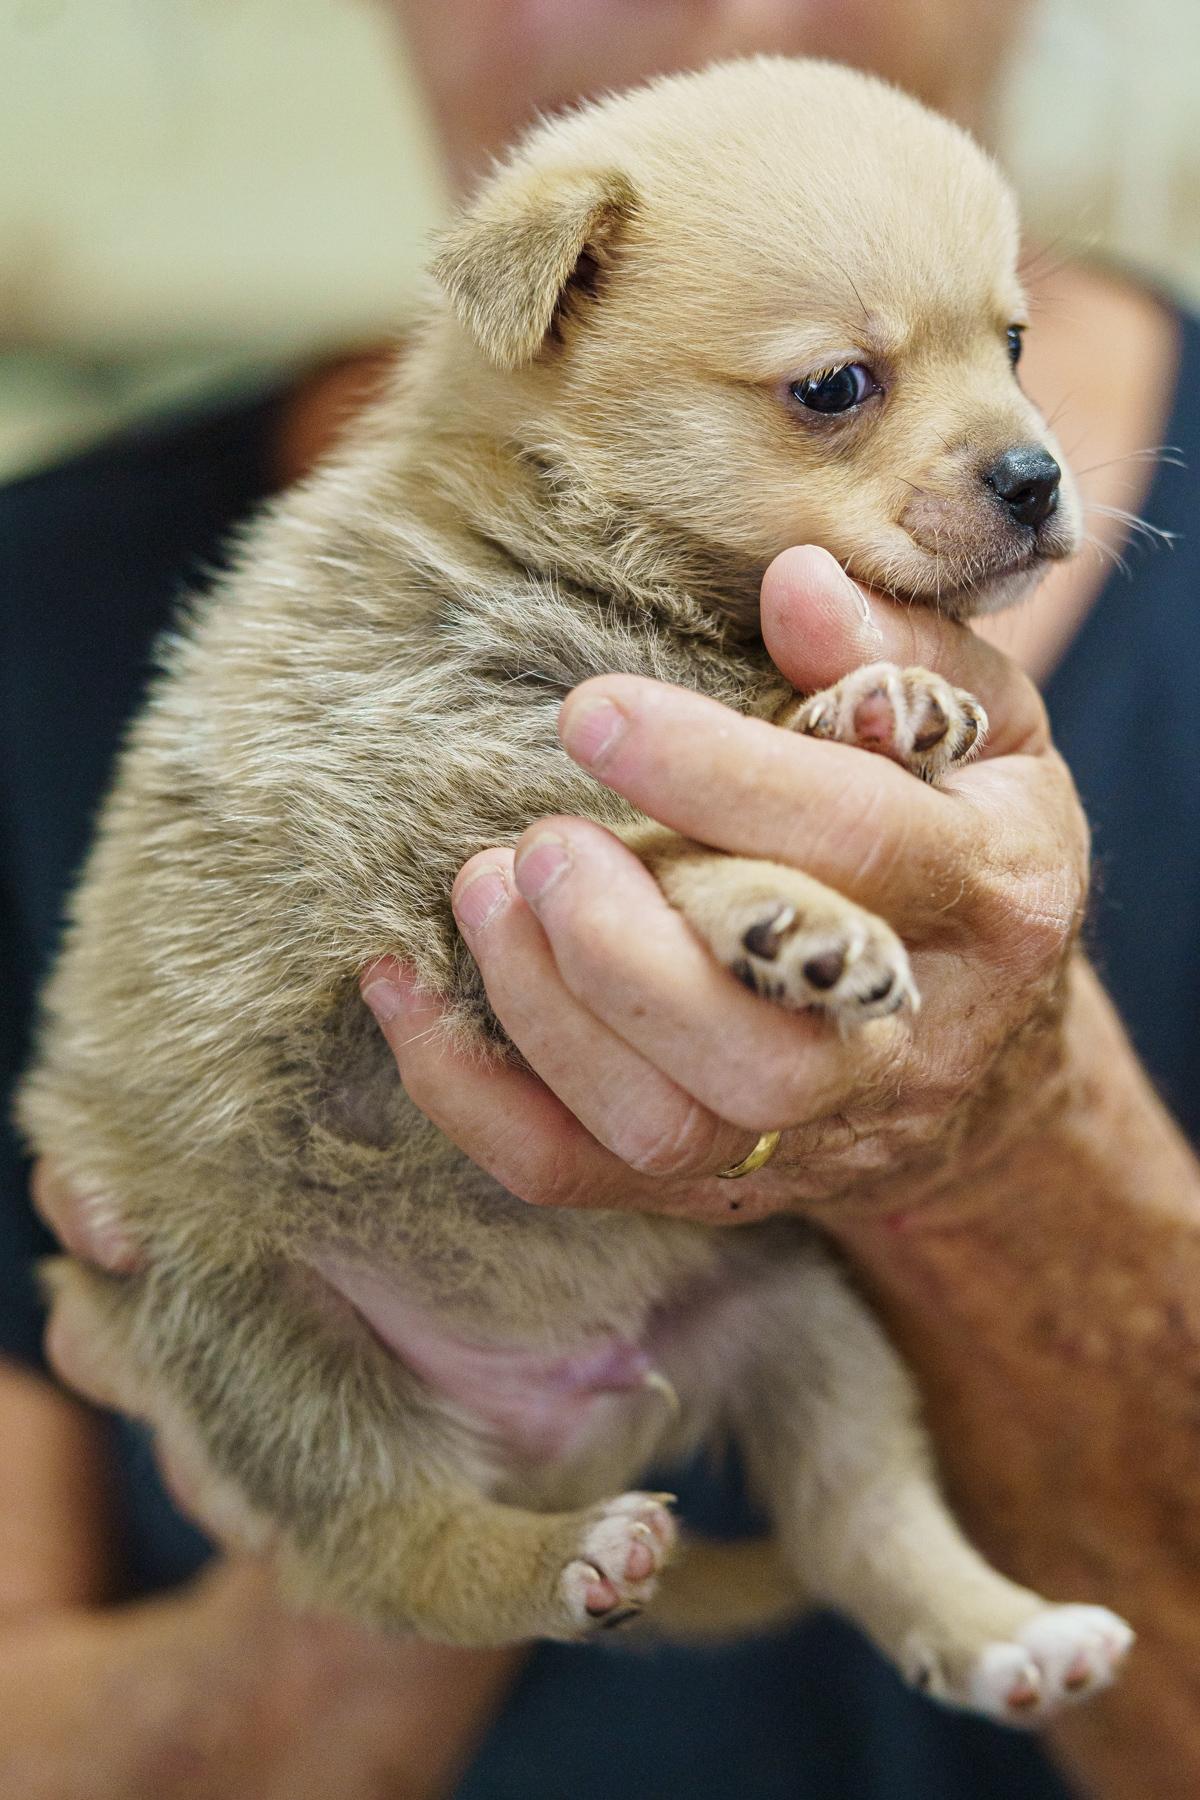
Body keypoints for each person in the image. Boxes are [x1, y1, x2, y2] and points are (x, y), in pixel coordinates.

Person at [2, 2, 1197, 1795]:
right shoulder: (48, 623)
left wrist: (1014, 1164)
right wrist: (443, 1477)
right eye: (834, 387)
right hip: (354, 1327)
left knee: (804, 1362)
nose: (1010, 443)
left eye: (999, 344)